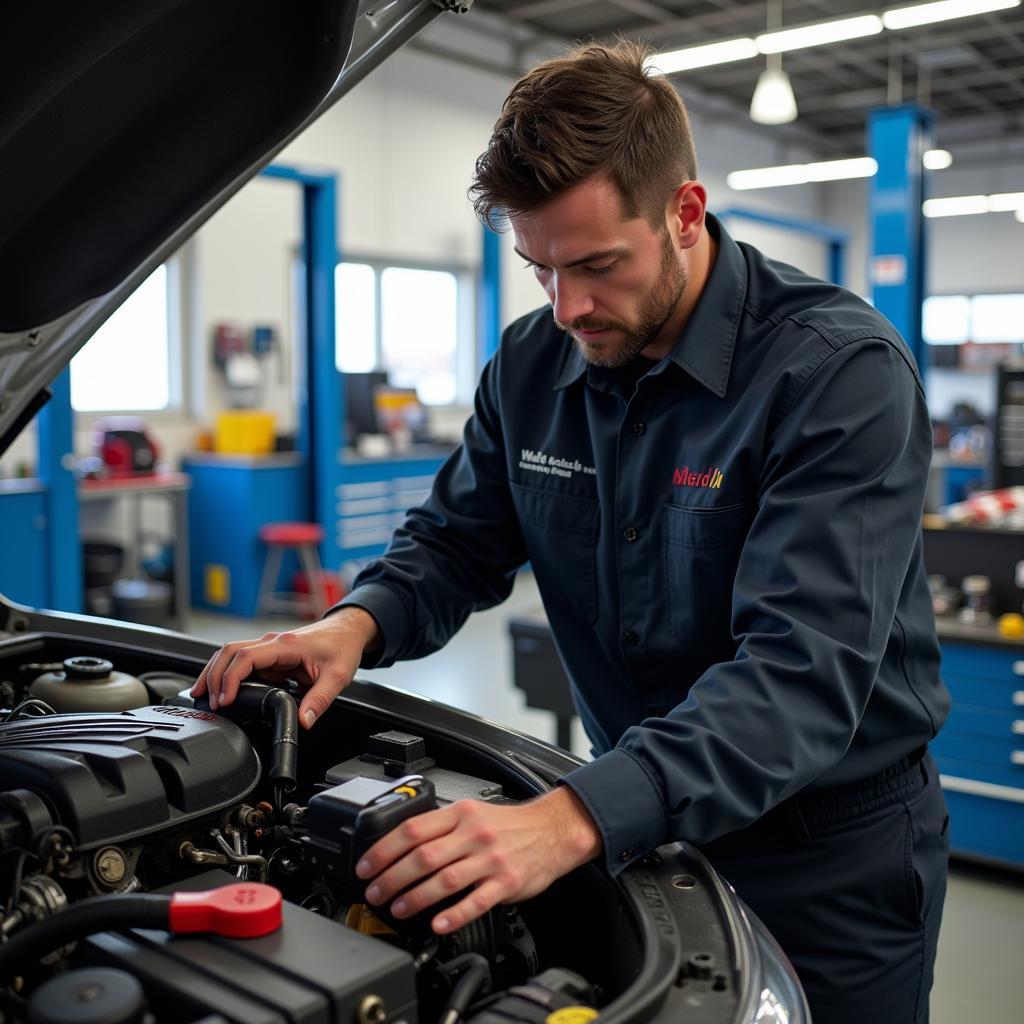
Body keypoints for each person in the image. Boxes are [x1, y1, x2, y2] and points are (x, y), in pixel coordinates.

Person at [193, 41, 950, 1023]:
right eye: (537, 268)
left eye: (597, 264)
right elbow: (457, 539)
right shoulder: (532, 364)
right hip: (638, 826)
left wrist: (573, 815)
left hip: (825, 859)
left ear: (684, 213)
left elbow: (799, 675)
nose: (569, 306)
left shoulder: (836, 376)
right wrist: (357, 623)